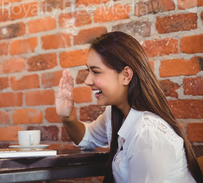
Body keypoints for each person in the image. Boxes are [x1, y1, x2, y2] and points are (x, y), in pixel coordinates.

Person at [55, 31, 202, 183]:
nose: (87, 80)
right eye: (88, 71)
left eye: (95, 71)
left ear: (126, 75)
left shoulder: (147, 133)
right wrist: (67, 117)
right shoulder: (115, 112)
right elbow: (88, 138)